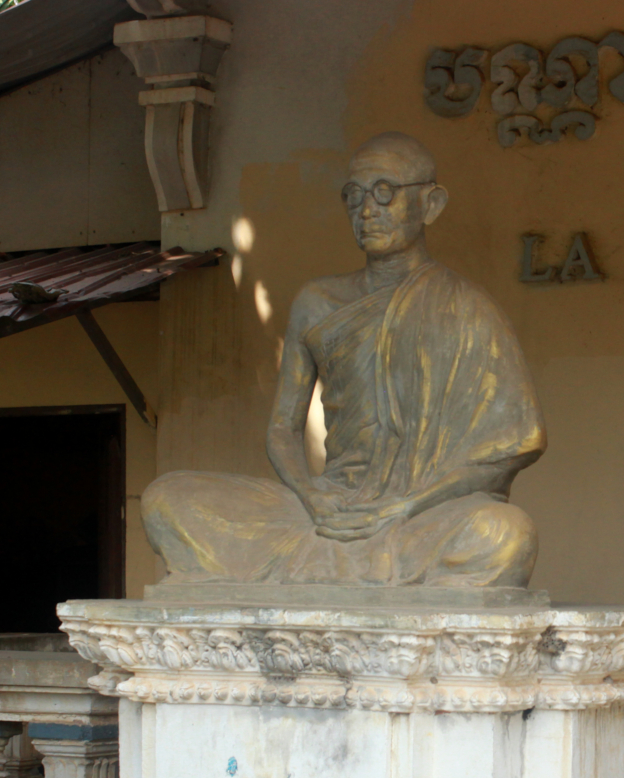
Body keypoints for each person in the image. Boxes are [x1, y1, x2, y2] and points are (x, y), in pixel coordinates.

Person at [141, 132, 546, 588]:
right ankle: (354, 569)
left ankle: (338, 570)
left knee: (506, 533)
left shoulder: (468, 309)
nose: (367, 210)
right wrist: (312, 496)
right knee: (166, 499)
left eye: (385, 193)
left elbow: (514, 443)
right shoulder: (318, 302)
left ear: (430, 204)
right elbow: (282, 429)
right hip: (329, 508)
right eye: (353, 196)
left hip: (420, 513)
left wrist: (403, 506)